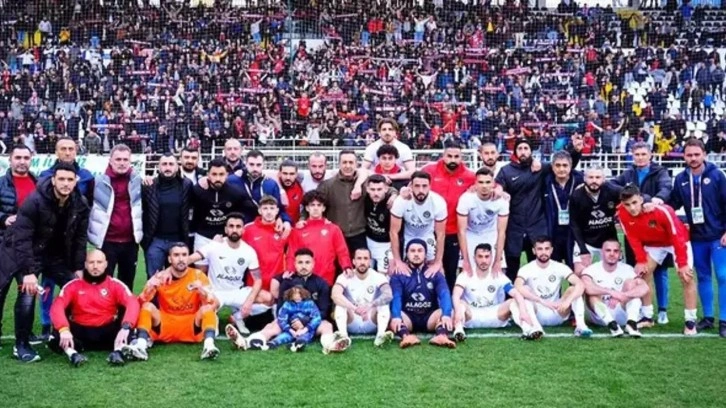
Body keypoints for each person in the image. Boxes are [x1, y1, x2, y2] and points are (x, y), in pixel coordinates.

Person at [0, 162, 90, 362]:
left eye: (70, 179)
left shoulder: (80, 203)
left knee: (74, 286)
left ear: (75, 181)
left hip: (54, 255)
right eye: (61, 179)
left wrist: (78, 267)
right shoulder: (34, 201)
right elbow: (22, 238)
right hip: (25, 252)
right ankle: (21, 345)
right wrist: (28, 272)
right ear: (53, 180)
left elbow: (80, 238)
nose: (65, 183)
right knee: (27, 293)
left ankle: (62, 336)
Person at [230, 248, 351, 355]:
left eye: (307, 262)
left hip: (312, 323)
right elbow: (281, 309)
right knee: (272, 325)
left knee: (327, 325)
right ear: (295, 264)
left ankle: (330, 345)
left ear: (313, 263)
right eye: (300, 262)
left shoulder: (321, 283)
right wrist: (293, 323)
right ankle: (248, 342)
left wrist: (304, 322)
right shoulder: (287, 282)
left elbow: (324, 311)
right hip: (289, 323)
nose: (304, 266)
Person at [617, 184, 699, 335]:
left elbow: (676, 236)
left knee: (686, 277)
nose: (632, 208)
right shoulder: (621, 213)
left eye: (634, 202)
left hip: (676, 241)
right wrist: (641, 260)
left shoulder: (662, 211)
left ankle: (690, 320)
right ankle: (647, 316)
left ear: (641, 199)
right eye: (627, 204)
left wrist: (682, 264)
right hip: (653, 244)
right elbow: (632, 238)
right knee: (642, 274)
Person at [36, 137, 94, 341]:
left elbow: (88, 206)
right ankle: (46, 323)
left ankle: (70, 322)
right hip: (48, 243)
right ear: (56, 151)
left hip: (71, 243)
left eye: (71, 149)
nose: (67, 152)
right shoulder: (45, 176)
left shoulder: (86, 177)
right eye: (63, 149)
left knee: (72, 285)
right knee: (47, 285)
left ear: (76, 151)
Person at [121, 243, 220, 361]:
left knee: (208, 308)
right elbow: (140, 304)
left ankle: (209, 346)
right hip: (166, 325)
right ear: (169, 259)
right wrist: (150, 288)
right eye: (176, 255)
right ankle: (141, 346)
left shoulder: (198, 276)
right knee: (147, 306)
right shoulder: (160, 277)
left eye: (184, 255)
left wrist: (202, 291)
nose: (181, 259)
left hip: (191, 326)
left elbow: (215, 304)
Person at [611, 141, 673, 326]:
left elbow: (666, 188)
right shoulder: (628, 173)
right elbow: (613, 185)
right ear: (632, 156)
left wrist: (656, 199)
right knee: (637, 271)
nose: (640, 157)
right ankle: (641, 309)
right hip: (635, 230)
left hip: (656, 229)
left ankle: (662, 310)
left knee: (660, 271)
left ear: (650, 155)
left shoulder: (660, 172)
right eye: (636, 154)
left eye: (643, 154)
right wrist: (629, 196)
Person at [670, 138, 726, 336]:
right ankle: (708, 318)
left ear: (704, 155)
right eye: (689, 155)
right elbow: (673, 202)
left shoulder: (717, 175)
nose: (693, 158)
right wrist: (656, 204)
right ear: (684, 156)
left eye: (696, 154)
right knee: (702, 276)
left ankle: (724, 320)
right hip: (696, 237)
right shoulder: (680, 178)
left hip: (718, 235)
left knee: (723, 276)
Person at [49, 250, 139, 367]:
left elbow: (133, 303)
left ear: (106, 264)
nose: (95, 266)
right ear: (85, 265)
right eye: (91, 262)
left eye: (99, 262)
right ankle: (73, 354)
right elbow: (57, 306)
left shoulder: (115, 284)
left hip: (107, 333)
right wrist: (63, 329)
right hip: (80, 333)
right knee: (56, 335)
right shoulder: (73, 285)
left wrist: (126, 327)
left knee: (129, 327)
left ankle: (118, 352)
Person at [188, 213, 273, 335]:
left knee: (268, 299)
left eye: (238, 226)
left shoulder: (249, 251)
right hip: (215, 292)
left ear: (243, 230)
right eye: (231, 226)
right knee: (207, 316)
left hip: (236, 291)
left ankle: (237, 317)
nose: (234, 230)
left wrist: (249, 301)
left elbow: (258, 280)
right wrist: (168, 271)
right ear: (226, 229)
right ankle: (213, 317)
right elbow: (190, 259)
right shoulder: (214, 246)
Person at [452, 243, 539, 341]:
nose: (484, 260)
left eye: (487, 257)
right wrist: (458, 312)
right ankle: (459, 331)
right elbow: (456, 295)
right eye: (480, 256)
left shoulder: (498, 275)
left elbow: (515, 293)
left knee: (513, 301)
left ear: (491, 258)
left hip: (495, 315)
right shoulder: (465, 275)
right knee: (460, 303)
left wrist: (523, 311)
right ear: (474, 258)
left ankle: (527, 329)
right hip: (471, 316)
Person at [87, 144, 143, 291]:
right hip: (107, 241)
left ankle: (124, 307)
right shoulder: (97, 182)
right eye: (118, 159)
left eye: (125, 159)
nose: (122, 163)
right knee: (103, 285)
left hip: (130, 242)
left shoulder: (138, 181)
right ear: (110, 161)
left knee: (126, 284)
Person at [421, 142, 476, 290]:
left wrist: (499, 190)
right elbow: (413, 185)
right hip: (429, 231)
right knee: (426, 268)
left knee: (450, 271)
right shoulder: (429, 171)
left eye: (456, 156)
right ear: (443, 156)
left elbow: (490, 185)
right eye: (449, 156)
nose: (453, 160)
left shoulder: (470, 176)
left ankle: (450, 300)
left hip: (453, 232)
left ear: (461, 157)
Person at [514, 237, 593, 338]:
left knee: (573, 290)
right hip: (536, 312)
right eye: (540, 249)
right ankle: (536, 328)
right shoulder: (526, 269)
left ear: (551, 250)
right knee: (524, 290)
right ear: (534, 251)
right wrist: (541, 301)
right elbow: (517, 286)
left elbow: (580, 284)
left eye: (547, 249)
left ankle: (581, 326)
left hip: (558, 311)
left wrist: (567, 301)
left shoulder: (559, 267)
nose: (543, 252)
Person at [191, 158, 257, 273]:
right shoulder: (197, 190)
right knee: (201, 273)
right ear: (208, 174)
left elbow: (253, 209)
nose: (218, 178)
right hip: (202, 237)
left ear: (227, 175)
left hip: (224, 238)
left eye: (221, 174)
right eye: (214, 174)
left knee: (222, 272)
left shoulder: (235, 192)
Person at [389, 239, 456, 349]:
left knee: (451, 312)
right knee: (390, 315)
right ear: (407, 254)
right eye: (412, 251)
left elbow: (444, 294)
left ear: (425, 254)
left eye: (420, 251)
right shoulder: (398, 275)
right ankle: (406, 336)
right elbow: (396, 297)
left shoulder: (435, 274)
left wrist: (446, 314)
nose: (416, 254)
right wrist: (396, 316)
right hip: (408, 317)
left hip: (430, 317)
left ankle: (441, 336)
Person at [0, 144, 35, 341]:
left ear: (31, 160)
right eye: (18, 158)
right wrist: (3, 218)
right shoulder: (1, 183)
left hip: (27, 249)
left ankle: (25, 334)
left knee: (27, 293)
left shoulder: (38, 184)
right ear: (10, 159)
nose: (22, 162)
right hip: (3, 246)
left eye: (26, 158)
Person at [581, 240, 650, 338]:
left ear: (620, 253)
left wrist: (623, 295)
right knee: (592, 296)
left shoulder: (627, 269)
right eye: (608, 250)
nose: (612, 254)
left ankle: (631, 324)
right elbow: (587, 287)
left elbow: (644, 287)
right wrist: (611, 292)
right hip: (599, 316)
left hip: (621, 312)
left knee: (632, 287)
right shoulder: (591, 269)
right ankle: (612, 325)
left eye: (616, 251)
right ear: (602, 252)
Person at [141, 153, 193, 277]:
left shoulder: (186, 185)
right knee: (154, 279)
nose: (168, 167)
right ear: (159, 167)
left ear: (177, 166)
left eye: (171, 164)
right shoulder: (149, 186)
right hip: (156, 240)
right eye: (164, 164)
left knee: (178, 278)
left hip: (178, 240)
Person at [286, 190, 352, 286]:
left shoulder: (333, 229)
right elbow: (292, 252)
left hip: (326, 278)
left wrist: (346, 266)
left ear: (323, 208)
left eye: (319, 205)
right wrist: (290, 269)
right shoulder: (298, 230)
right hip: (303, 278)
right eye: (312, 205)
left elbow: (342, 251)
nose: (316, 208)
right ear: (307, 208)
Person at [332, 248, 394, 347]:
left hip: (371, 320)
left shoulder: (378, 276)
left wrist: (370, 306)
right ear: (353, 261)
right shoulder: (344, 276)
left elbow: (388, 295)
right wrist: (354, 308)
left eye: (365, 258)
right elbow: (335, 295)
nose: (362, 262)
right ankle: (343, 337)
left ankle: (380, 336)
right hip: (352, 320)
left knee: (383, 303)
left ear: (370, 261)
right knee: (340, 304)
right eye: (359, 258)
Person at [390, 171, 447, 277]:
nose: (421, 190)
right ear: (411, 186)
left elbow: (440, 234)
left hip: (427, 235)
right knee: (394, 269)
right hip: (407, 236)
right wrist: (398, 261)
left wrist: (438, 262)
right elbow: (393, 232)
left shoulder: (438, 202)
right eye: (417, 186)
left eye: (424, 186)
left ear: (430, 186)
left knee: (438, 272)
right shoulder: (401, 201)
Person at [317, 150, 372, 255]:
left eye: (351, 162)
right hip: (336, 235)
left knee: (360, 264)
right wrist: (303, 219)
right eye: (344, 162)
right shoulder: (327, 185)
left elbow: (383, 188)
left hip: (359, 234)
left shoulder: (365, 183)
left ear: (356, 164)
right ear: (339, 164)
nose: (347, 166)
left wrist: (393, 195)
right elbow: (313, 203)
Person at [457, 167, 508, 277]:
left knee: (498, 272)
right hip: (471, 234)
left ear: (493, 183)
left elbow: (501, 232)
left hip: (491, 234)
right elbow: (461, 231)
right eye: (480, 182)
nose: (484, 186)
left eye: (488, 182)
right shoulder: (466, 199)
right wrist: (465, 260)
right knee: (466, 272)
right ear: (475, 183)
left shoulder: (502, 201)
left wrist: (498, 261)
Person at [569, 166, 622, 275]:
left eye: (598, 177)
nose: (594, 180)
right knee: (580, 272)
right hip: (586, 241)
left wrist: (648, 200)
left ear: (604, 179)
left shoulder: (613, 191)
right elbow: (574, 224)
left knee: (616, 273)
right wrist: (583, 250)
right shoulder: (576, 196)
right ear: (584, 178)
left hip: (609, 240)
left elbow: (634, 195)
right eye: (591, 177)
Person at [543, 151, 583, 266]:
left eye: (565, 165)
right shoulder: (545, 182)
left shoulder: (580, 181)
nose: (561, 169)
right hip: (553, 233)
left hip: (573, 233)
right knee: (553, 270)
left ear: (571, 167)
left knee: (575, 268)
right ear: (552, 167)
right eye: (558, 165)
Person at [242, 196, 289, 291]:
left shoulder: (284, 230)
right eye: (265, 208)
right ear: (259, 211)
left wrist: (288, 223)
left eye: (272, 208)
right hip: (254, 283)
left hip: (276, 284)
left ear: (277, 211)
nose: (269, 212)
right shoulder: (248, 229)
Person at [268, 286, 322, 352]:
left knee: (305, 337)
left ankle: (297, 344)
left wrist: (305, 329)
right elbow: (281, 318)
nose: (296, 295)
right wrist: (291, 330)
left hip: (306, 328)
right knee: (284, 336)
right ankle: (273, 343)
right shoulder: (287, 304)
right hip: (291, 327)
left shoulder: (310, 304)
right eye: (294, 293)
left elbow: (317, 318)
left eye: (299, 293)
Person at [362, 118, 415, 182]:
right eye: (384, 129)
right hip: (376, 182)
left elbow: (412, 172)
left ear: (395, 132)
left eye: (390, 129)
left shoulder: (404, 148)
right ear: (379, 132)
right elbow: (363, 170)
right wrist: (380, 177)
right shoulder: (371, 148)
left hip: (399, 182)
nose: (387, 132)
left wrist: (390, 177)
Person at [363, 174, 396, 274]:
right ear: (367, 189)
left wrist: (391, 253)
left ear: (386, 189)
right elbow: (361, 171)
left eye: (379, 189)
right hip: (368, 241)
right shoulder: (365, 198)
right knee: (366, 274)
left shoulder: (392, 203)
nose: (376, 193)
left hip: (385, 245)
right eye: (372, 189)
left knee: (384, 276)